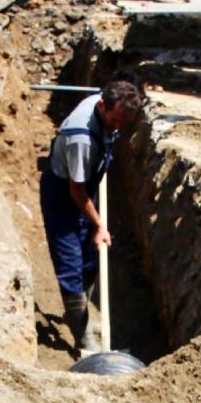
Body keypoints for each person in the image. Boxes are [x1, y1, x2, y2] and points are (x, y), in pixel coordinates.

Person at [40, 75, 144, 357]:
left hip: (86, 184)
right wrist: (99, 225)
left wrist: (95, 227)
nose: (118, 128)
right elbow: (76, 190)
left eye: (123, 124)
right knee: (71, 264)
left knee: (90, 257)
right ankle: (84, 341)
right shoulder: (80, 139)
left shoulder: (110, 102)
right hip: (64, 194)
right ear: (102, 107)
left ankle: (82, 316)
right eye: (114, 123)